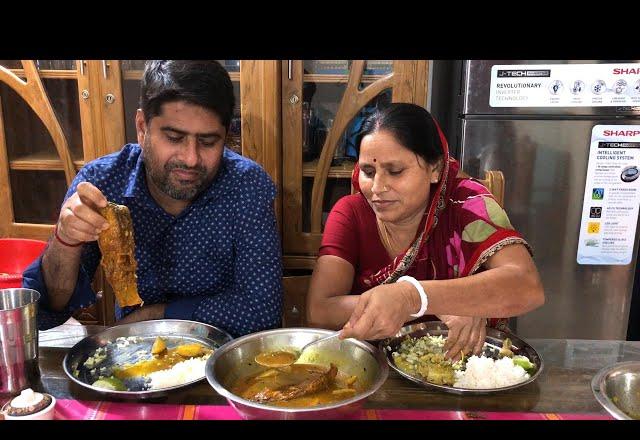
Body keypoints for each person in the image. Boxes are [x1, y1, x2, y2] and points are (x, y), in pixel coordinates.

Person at [23, 60, 282, 337]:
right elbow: (46, 313)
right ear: (142, 127)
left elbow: (262, 312)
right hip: (136, 359)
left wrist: (154, 315)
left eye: (208, 142)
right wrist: (66, 241)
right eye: (174, 137)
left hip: (224, 361)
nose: (191, 158)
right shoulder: (103, 182)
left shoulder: (247, 186)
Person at [307, 103, 544, 361]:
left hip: (463, 364)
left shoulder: (468, 207)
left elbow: (527, 287)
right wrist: (434, 302)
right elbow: (320, 310)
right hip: (372, 369)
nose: (377, 187)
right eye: (368, 171)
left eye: (395, 171)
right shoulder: (351, 213)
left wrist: (413, 296)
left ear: (435, 169)